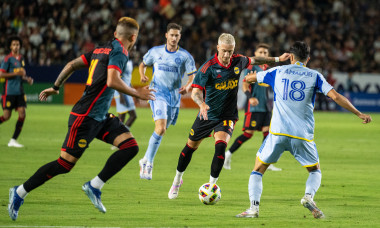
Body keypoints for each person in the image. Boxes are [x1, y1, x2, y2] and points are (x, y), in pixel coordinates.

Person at [7, 17, 155, 221]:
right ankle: (20, 192)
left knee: (130, 146)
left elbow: (72, 64)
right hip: (85, 117)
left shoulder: (100, 49)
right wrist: (137, 94)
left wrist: (56, 86)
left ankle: (94, 186)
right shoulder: (120, 52)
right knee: (64, 165)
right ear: (133, 37)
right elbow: (112, 81)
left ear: (115, 33)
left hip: (100, 116)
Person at [236, 41, 372, 219]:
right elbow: (336, 96)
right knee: (315, 170)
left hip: (277, 132)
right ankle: (308, 197)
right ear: (307, 59)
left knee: (258, 169)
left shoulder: (277, 71)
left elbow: (249, 79)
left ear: (291, 57)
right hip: (302, 135)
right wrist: (358, 113)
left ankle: (253, 208)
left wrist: (250, 77)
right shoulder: (315, 76)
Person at [168, 33, 290, 200]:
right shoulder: (207, 67)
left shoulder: (238, 60)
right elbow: (196, 92)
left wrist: (277, 59)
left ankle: (211, 186)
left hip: (227, 115)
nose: (227, 55)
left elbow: (256, 60)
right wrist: (202, 104)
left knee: (220, 147)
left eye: (230, 51)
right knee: (190, 148)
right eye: (224, 51)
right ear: (218, 48)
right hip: (207, 114)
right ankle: (177, 179)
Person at [138, 23, 197, 180]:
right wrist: (142, 75)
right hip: (157, 92)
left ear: (180, 37)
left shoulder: (185, 56)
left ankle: (145, 159)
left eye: (177, 35)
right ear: (166, 35)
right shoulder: (155, 51)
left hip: (174, 96)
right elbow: (143, 64)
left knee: (163, 129)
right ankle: (148, 163)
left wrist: (188, 86)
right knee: (161, 128)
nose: (174, 38)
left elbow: (193, 75)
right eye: (171, 35)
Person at [224, 43, 281, 171]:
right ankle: (228, 154)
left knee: (268, 134)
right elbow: (244, 85)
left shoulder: (267, 68)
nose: (263, 55)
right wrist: (250, 98)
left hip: (266, 106)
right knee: (248, 134)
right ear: (255, 53)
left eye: (265, 53)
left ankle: (266, 161)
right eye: (260, 52)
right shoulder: (251, 67)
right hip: (254, 107)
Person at [0, 36, 34, 148]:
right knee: (6, 116)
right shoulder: (7, 59)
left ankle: (13, 140)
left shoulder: (22, 59)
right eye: (14, 44)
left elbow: (21, 74)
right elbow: (1, 74)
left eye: (18, 44)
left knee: (22, 113)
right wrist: (16, 74)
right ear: (10, 46)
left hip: (19, 91)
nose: (16, 46)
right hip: (9, 91)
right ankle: (13, 140)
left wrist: (27, 79)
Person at [111, 60, 137, 150]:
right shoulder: (123, 61)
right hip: (121, 92)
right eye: (132, 48)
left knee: (131, 116)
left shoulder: (130, 62)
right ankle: (119, 140)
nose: (134, 49)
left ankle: (120, 139)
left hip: (127, 92)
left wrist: (134, 92)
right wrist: (121, 95)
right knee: (123, 117)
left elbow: (127, 79)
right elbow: (118, 78)